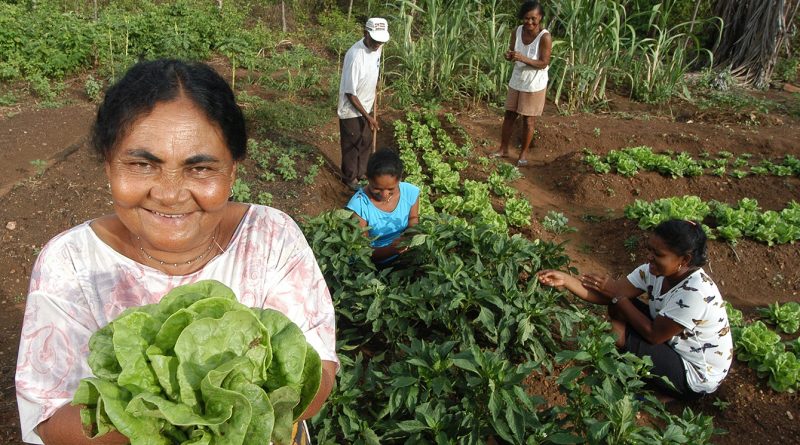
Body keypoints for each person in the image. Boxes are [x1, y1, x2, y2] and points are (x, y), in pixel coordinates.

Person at [15, 59, 338, 445]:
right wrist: (177, 427)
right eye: (141, 164)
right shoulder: (70, 265)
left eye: (200, 169)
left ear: (232, 171)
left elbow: (314, 371)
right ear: (108, 165)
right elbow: (50, 415)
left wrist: (219, 422)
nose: (169, 194)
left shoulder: (269, 238)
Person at [537, 220, 733, 401]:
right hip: (671, 341)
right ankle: (642, 371)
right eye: (650, 250)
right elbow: (610, 294)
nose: (650, 258)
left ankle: (671, 391)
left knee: (618, 328)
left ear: (685, 259)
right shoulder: (653, 271)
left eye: (659, 255)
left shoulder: (695, 293)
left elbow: (654, 334)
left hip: (695, 373)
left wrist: (619, 298)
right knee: (617, 308)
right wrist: (565, 280)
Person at [493, 1, 551, 167]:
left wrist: (523, 58)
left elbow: (544, 63)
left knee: (528, 120)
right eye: (526, 19)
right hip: (517, 79)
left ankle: (523, 154)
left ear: (540, 18)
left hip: (534, 84)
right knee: (509, 115)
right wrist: (510, 56)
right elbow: (513, 53)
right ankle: (503, 149)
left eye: (533, 19)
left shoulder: (544, 37)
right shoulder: (517, 31)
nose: (530, 22)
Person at [338, 17, 390, 191]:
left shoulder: (378, 46)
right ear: (365, 34)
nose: (377, 45)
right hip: (351, 109)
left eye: (380, 41)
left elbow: (374, 65)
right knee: (352, 143)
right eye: (375, 40)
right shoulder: (355, 56)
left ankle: (362, 174)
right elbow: (350, 93)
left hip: (367, 104)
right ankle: (350, 178)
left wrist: (375, 82)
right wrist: (368, 117)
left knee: (366, 140)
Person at [346, 148, 420, 264]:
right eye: (377, 188)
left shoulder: (410, 192)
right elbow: (361, 250)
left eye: (391, 189)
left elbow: (413, 219)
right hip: (372, 262)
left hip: (403, 254)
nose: (384, 194)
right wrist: (391, 250)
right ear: (367, 178)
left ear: (399, 179)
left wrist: (410, 237)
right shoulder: (359, 205)